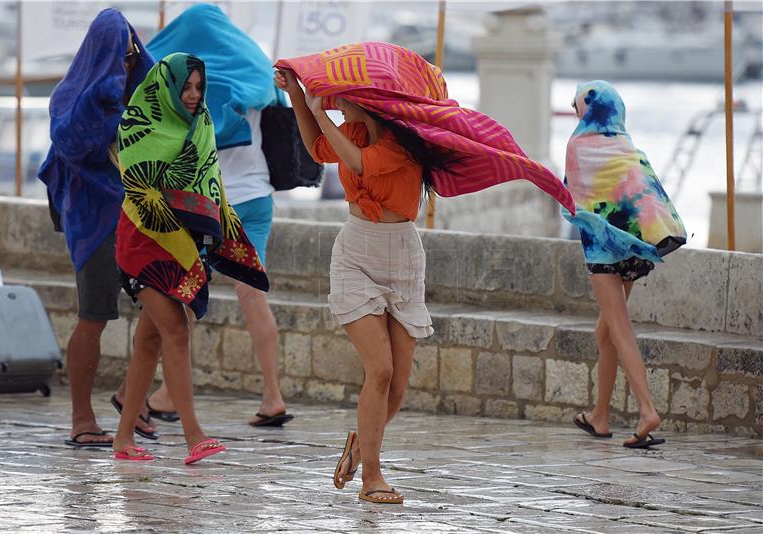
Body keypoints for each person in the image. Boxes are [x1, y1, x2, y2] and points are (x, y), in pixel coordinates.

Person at [275, 41, 574, 504]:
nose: (337, 101)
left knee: (397, 386)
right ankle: (372, 476)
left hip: (403, 257)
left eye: (342, 96)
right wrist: (299, 95)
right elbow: (320, 149)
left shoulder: (398, 144)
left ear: (365, 99)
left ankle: (362, 441)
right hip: (356, 252)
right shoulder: (351, 132)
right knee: (379, 371)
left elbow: (358, 165)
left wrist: (318, 108)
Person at [111, 52, 269, 463]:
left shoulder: (201, 125)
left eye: (199, 87)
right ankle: (193, 434)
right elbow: (138, 183)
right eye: (186, 86)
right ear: (168, 86)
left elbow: (209, 181)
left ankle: (123, 439)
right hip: (145, 242)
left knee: (148, 343)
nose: (194, 94)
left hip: (183, 243)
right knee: (176, 331)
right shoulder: (138, 122)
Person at [143, 3, 291, 427]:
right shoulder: (254, 69)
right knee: (253, 297)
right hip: (258, 197)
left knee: (187, 297)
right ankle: (272, 395)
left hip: (210, 206)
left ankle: (170, 393)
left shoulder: (197, 87)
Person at [37, 9, 157, 448]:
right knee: (94, 318)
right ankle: (82, 419)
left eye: (131, 57)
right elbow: (72, 141)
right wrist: (105, 95)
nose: (125, 66)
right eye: (118, 57)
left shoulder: (139, 99)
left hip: (142, 218)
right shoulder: (71, 96)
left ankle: (131, 395)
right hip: (95, 221)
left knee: (169, 312)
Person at [562, 80, 686, 449]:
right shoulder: (627, 145)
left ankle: (647, 410)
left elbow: (574, 195)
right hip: (634, 250)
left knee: (618, 328)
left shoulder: (577, 145)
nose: (575, 113)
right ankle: (599, 416)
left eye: (576, 107)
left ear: (590, 108)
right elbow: (647, 195)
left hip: (602, 252)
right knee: (605, 333)